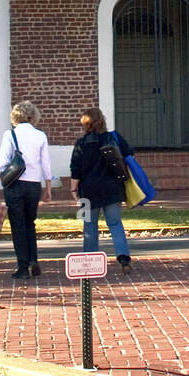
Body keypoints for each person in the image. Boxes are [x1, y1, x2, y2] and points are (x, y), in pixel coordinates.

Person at [0, 101, 53, 279]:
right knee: (30, 222)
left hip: (14, 184)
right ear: (33, 116)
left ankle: (22, 267)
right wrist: (48, 187)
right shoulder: (40, 136)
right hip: (34, 184)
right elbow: (45, 163)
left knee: (18, 225)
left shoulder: (10, 135)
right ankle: (34, 261)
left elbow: (3, 162)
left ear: (15, 116)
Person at [70, 107, 133, 274]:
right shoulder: (113, 137)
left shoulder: (81, 144)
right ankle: (123, 258)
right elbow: (129, 155)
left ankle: (90, 261)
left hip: (89, 191)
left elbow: (75, 169)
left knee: (89, 225)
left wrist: (73, 188)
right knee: (115, 223)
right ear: (102, 120)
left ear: (85, 124)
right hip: (112, 188)